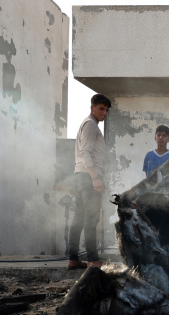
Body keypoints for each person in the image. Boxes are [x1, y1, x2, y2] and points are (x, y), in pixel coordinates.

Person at [67, 94, 110, 270]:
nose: (104, 113)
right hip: (87, 177)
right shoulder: (91, 124)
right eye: (101, 108)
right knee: (90, 218)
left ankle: (73, 259)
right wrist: (95, 177)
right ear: (92, 107)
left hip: (80, 176)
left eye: (107, 110)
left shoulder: (88, 124)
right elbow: (85, 152)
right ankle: (93, 258)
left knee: (79, 216)